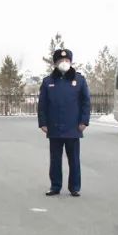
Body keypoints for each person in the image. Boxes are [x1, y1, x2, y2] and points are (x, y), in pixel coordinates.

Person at [37, 48, 91, 197]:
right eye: (61, 61)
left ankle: (74, 187)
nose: (64, 63)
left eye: (67, 60)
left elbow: (86, 102)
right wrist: (43, 122)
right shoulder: (48, 81)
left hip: (74, 127)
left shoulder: (79, 80)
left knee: (74, 159)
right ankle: (55, 186)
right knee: (55, 160)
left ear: (71, 62)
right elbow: (42, 104)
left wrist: (84, 121)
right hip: (54, 127)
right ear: (55, 63)